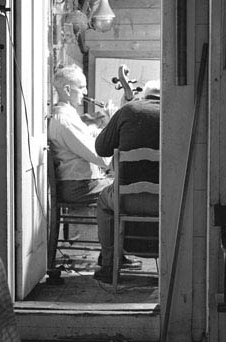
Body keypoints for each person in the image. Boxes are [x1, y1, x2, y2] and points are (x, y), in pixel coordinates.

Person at [94, 80, 161, 282]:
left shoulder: (130, 110)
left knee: (103, 202)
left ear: (144, 96)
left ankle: (109, 266)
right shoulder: (176, 111)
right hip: (166, 202)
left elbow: (101, 149)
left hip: (126, 201)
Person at [48, 64, 112, 204]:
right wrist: (114, 125)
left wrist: (109, 123)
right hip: (79, 187)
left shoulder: (65, 115)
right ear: (67, 90)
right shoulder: (65, 121)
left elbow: (89, 133)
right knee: (126, 190)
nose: (85, 92)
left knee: (122, 186)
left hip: (81, 184)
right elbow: (101, 158)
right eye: (82, 87)